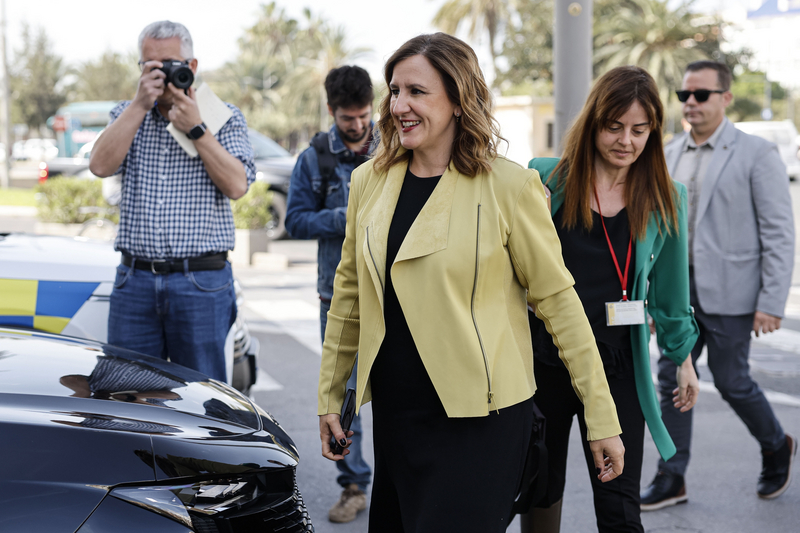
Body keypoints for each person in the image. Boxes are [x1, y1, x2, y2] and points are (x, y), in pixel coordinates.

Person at [317, 32, 626, 533]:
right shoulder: (368, 181)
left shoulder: (510, 186)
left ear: (459, 100)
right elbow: (349, 297)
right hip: (397, 415)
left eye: (417, 91)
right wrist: (331, 397)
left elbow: (559, 304)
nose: (399, 105)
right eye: (394, 91)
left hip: (482, 421)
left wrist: (601, 416)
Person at [523, 66, 700, 533]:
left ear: (654, 131)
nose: (626, 141)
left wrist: (683, 360)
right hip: (546, 359)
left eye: (639, 130)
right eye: (614, 126)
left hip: (618, 366)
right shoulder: (546, 178)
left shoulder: (667, 198)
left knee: (620, 505)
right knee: (539, 491)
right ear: (593, 122)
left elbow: (671, 294)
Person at [641, 60, 796, 509]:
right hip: (676, 292)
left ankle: (776, 444)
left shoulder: (757, 153)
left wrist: (771, 301)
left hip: (732, 292)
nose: (690, 102)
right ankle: (672, 475)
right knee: (672, 378)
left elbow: (779, 232)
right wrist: (650, 298)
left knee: (732, 381)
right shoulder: (666, 152)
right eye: (684, 95)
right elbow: (653, 230)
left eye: (701, 94)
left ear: (725, 97)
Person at [89, 20, 256, 382]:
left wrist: (197, 129)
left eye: (170, 64)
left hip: (201, 282)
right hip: (135, 280)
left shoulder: (223, 117)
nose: (163, 74)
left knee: (202, 395)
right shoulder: (126, 113)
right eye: (152, 65)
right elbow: (100, 166)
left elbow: (237, 185)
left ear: (191, 66)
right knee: (126, 392)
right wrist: (139, 104)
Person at [284, 65, 374, 524]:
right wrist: (347, 215)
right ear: (330, 111)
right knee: (344, 396)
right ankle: (354, 486)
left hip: (397, 295)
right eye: (347, 118)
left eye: (363, 116)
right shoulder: (313, 159)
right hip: (337, 297)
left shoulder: (396, 146)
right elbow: (295, 221)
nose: (357, 126)